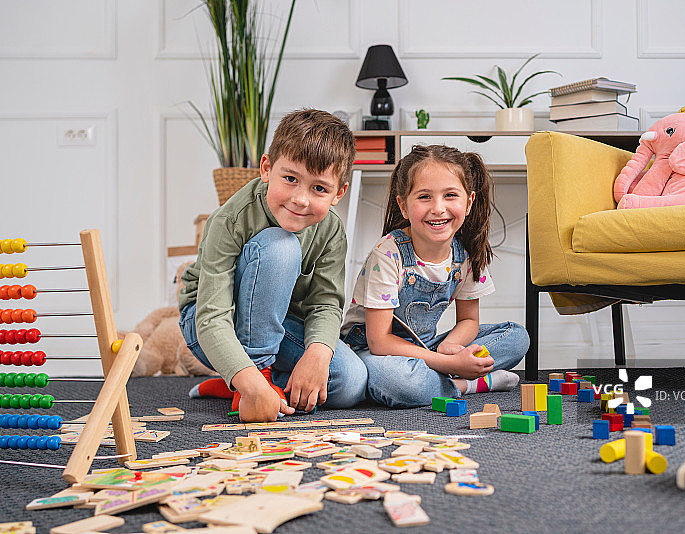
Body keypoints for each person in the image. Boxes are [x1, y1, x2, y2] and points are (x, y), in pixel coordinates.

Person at [178, 109, 368, 422]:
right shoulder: (231, 219)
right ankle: (254, 379)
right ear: (267, 168)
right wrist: (255, 382)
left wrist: (318, 352)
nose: (301, 199)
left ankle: (238, 378)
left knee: (350, 382)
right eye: (290, 179)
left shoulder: (331, 230)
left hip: (281, 325)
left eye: (319, 188)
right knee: (280, 246)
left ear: (339, 193)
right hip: (209, 321)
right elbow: (211, 317)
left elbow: (325, 303)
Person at [341, 144, 529, 408]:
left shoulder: (466, 255)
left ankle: (440, 376)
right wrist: (451, 364)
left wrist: (451, 347)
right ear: (403, 206)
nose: (438, 208)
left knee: (517, 336)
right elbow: (379, 341)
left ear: (469, 202)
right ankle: (468, 384)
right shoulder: (388, 254)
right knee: (395, 380)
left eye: (450, 195)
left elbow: (469, 321)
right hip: (374, 352)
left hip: (428, 347)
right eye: (424, 197)